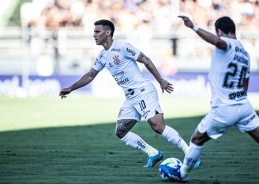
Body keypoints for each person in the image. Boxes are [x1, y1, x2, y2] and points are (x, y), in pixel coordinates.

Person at [59, 19, 201, 168]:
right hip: (130, 97)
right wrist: (71, 88)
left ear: (108, 33)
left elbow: (145, 59)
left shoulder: (123, 47)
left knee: (158, 126)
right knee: (121, 131)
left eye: (97, 31)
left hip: (143, 91)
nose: (94, 35)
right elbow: (90, 75)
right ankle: (153, 153)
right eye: (94, 32)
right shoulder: (102, 56)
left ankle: (191, 155)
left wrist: (160, 80)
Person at [165, 16, 259, 181]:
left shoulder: (225, 44)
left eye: (218, 34)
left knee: (196, 139)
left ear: (219, 31)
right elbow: (245, 85)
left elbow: (219, 43)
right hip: (243, 105)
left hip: (224, 107)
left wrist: (194, 27)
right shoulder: (245, 52)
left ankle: (182, 175)